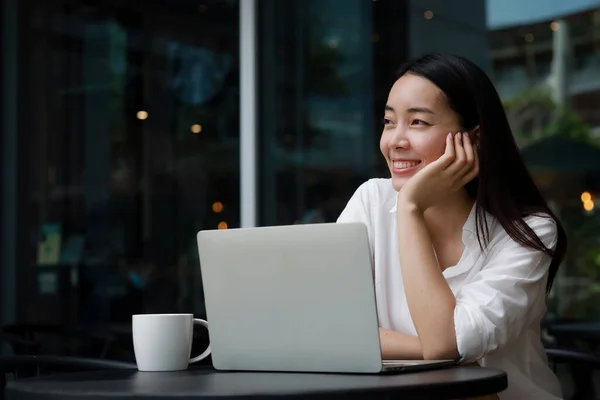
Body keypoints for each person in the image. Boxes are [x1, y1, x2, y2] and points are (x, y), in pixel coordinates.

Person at [337, 52, 567, 400]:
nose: (395, 141)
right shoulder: (370, 200)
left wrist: (411, 208)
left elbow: (447, 343)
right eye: (388, 121)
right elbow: (329, 329)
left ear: (472, 138)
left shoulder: (528, 232)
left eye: (418, 123)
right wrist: (422, 348)